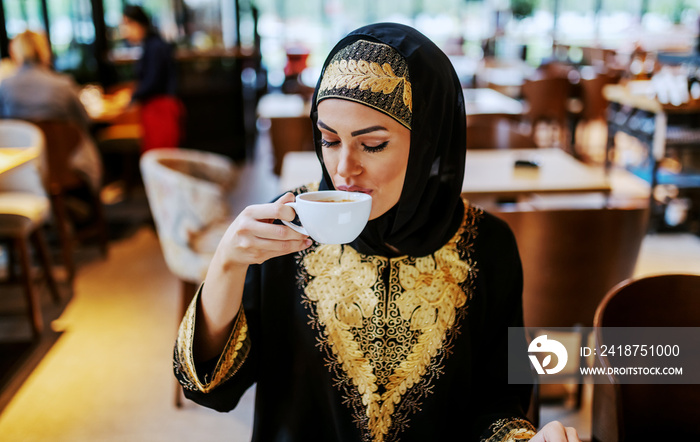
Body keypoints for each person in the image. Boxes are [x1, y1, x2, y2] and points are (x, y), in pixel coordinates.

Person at [173, 23, 580, 442]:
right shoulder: (288, 227)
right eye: (329, 140)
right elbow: (210, 387)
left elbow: (500, 403)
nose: (344, 170)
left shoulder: (486, 244)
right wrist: (225, 266)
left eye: (372, 145)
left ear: (427, 144)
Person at [0, 30, 102, 190]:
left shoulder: (4, 87)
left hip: (25, 166)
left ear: (14, 52)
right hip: (67, 164)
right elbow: (85, 121)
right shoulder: (63, 84)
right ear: (44, 50)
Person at [120, 5, 182, 152]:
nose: (124, 31)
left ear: (138, 24)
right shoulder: (151, 45)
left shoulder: (155, 47)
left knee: (160, 156)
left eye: (126, 25)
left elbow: (153, 81)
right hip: (155, 109)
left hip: (160, 110)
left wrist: (132, 96)